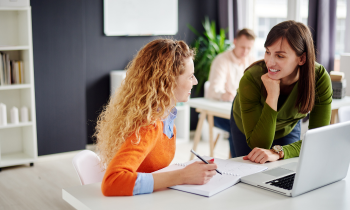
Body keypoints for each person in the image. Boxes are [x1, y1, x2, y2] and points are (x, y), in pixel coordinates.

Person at [94, 39, 218, 196]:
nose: (195, 81)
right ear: (168, 80)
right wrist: (183, 176)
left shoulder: (166, 119)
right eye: (190, 76)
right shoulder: (149, 124)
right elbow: (112, 183)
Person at [231, 20, 332, 164]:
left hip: (287, 127)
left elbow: (319, 138)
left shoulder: (319, 77)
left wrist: (279, 152)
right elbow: (259, 145)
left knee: (289, 172)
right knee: (248, 174)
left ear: (302, 58)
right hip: (249, 130)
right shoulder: (251, 79)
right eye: (268, 52)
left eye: (280, 56)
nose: (270, 62)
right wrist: (272, 96)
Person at [206, 28, 256, 158]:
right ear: (235, 42)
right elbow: (213, 90)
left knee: (253, 124)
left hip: (242, 110)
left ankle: (250, 161)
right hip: (217, 114)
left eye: (249, 48)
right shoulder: (221, 60)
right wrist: (223, 95)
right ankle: (239, 162)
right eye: (242, 47)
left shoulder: (251, 60)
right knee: (240, 125)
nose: (245, 51)